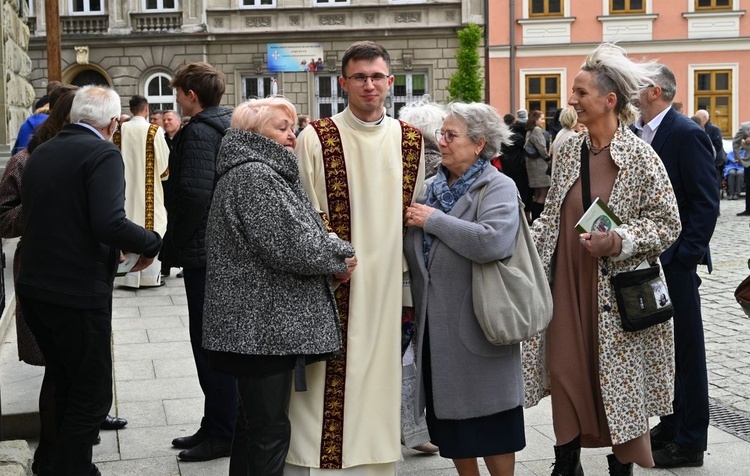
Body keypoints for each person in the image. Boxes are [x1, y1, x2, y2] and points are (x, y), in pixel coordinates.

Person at [525, 43, 682, 476]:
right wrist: (521, 250)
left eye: (580, 92)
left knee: (619, 381)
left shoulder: (640, 157)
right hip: (567, 286)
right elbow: (552, 216)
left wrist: (618, 240)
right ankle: (566, 462)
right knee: (565, 371)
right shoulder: (568, 149)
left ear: (609, 101)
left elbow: (668, 223)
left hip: (617, 294)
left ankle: (622, 465)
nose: (571, 100)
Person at [288, 40, 425, 475]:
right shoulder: (317, 136)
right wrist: (329, 259)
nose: (369, 84)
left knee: (379, 375)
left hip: (385, 283)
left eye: (377, 77)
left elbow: (414, 210)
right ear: (343, 82)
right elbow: (302, 206)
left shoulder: (410, 141)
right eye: (360, 77)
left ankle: (376, 459)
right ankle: (315, 460)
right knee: (323, 378)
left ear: (390, 82)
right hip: (333, 280)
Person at [202, 97, 356, 476]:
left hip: (258, 325)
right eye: (281, 127)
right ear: (254, 134)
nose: (291, 135)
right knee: (268, 433)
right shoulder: (256, 174)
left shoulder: (255, 170)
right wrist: (342, 253)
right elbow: (295, 245)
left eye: (292, 126)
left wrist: (328, 249)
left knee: (255, 427)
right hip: (262, 327)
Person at [16, 85, 162, 476]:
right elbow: (108, 221)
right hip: (74, 291)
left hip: (34, 285)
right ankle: (72, 469)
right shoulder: (101, 152)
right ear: (113, 123)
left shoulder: (42, 150)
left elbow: (58, 214)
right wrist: (151, 241)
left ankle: (51, 463)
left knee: (63, 378)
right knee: (92, 395)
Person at [404, 101, 524, 476]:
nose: (442, 141)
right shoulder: (429, 188)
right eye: (441, 134)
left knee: (493, 425)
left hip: (480, 323)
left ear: (478, 144)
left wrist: (436, 221)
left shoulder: (497, 186)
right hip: (436, 331)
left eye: (451, 135)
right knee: (454, 428)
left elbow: (493, 242)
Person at [635, 64, 719, 469]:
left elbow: (705, 202)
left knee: (686, 353)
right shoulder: (640, 134)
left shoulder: (686, 133)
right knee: (661, 352)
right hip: (649, 263)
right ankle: (669, 425)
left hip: (675, 264)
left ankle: (690, 442)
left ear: (653, 91)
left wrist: (684, 256)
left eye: (635, 85)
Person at [161, 62, 238, 462]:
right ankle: (215, 423)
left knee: (209, 345)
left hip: (203, 252)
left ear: (192, 95)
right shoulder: (228, 122)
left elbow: (192, 196)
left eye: (178, 93)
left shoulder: (197, 133)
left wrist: (169, 248)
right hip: (221, 251)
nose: (175, 99)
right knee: (216, 342)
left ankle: (223, 431)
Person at [395, 95, 445, 455]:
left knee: (402, 348)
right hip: (421, 270)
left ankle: (409, 427)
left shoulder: (400, 159)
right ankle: (414, 429)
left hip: (398, 267)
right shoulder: (437, 165)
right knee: (411, 349)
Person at [114, 95, 170, 288]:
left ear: (131, 109)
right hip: (149, 189)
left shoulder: (120, 130)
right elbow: (164, 167)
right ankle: (149, 276)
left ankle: (127, 276)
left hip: (123, 189)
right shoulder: (154, 130)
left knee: (127, 221)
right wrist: (162, 175)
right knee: (152, 224)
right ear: (146, 109)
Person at [500, 110, 530, 221]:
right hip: (519, 165)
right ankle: (520, 214)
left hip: (506, 165)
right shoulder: (521, 133)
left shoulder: (503, 133)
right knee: (522, 190)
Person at [524, 110, 550, 221]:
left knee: (536, 194)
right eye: (542, 119)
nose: (543, 121)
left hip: (532, 166)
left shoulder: (529, 130)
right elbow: (542, 148)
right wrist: (548, 159)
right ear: (536, 120)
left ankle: (534, 219)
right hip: (539, 166)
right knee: (543, 194)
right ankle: (539, 219)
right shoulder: (537, 130)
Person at [695, 110, 726, 200]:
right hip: (702, 161)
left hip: (714, 161)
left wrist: (706, 153)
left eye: (698, 117)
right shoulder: (697, 127)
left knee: (714, 184)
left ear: (705, 118)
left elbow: (718, 145)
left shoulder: (714, 129)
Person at [732, 122, 750, 215]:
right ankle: (749, 209)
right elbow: (735, 142)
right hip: (749, 162)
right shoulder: (745, 127)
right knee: (749, 186)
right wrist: (738, 157)